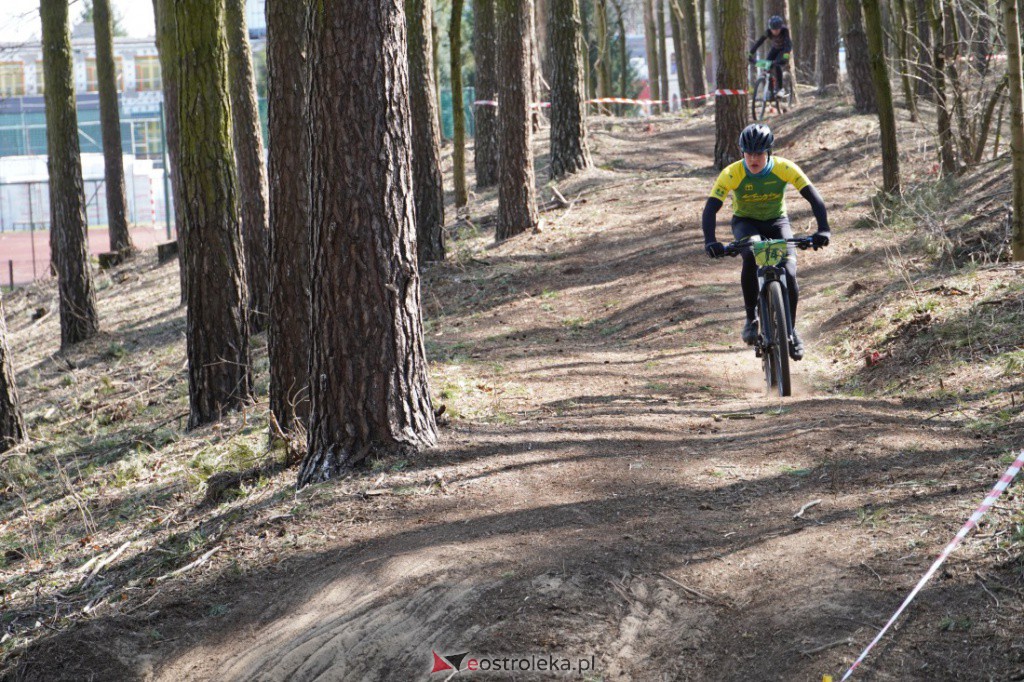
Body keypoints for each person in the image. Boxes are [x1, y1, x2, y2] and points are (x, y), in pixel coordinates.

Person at [701, 123, 830, 360]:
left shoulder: (784, 168)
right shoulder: (732, 173)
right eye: (748, 153)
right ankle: (751, 319)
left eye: (758, 153)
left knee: (789, 272)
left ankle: (790, 331)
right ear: (742, 152)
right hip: (745, 223)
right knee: (751, 253)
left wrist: (824, 230)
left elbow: (814, 198)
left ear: (768, 152)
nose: (753, 159)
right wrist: (711, 241)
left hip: (777, 222)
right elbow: (711, 209)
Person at [749, 15, 792, 98]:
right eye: (773, 30)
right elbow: (759, 42)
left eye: (777, 30)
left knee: (777, 65)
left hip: (784, 49)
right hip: (775, 48)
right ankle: (770, 90)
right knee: (767, 64)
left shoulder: (785, 31)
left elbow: (788, 45)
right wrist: (751, 53)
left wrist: (785, 57)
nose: (775, 32)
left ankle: (780, 89)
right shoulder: (768, 32)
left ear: (780, 28)